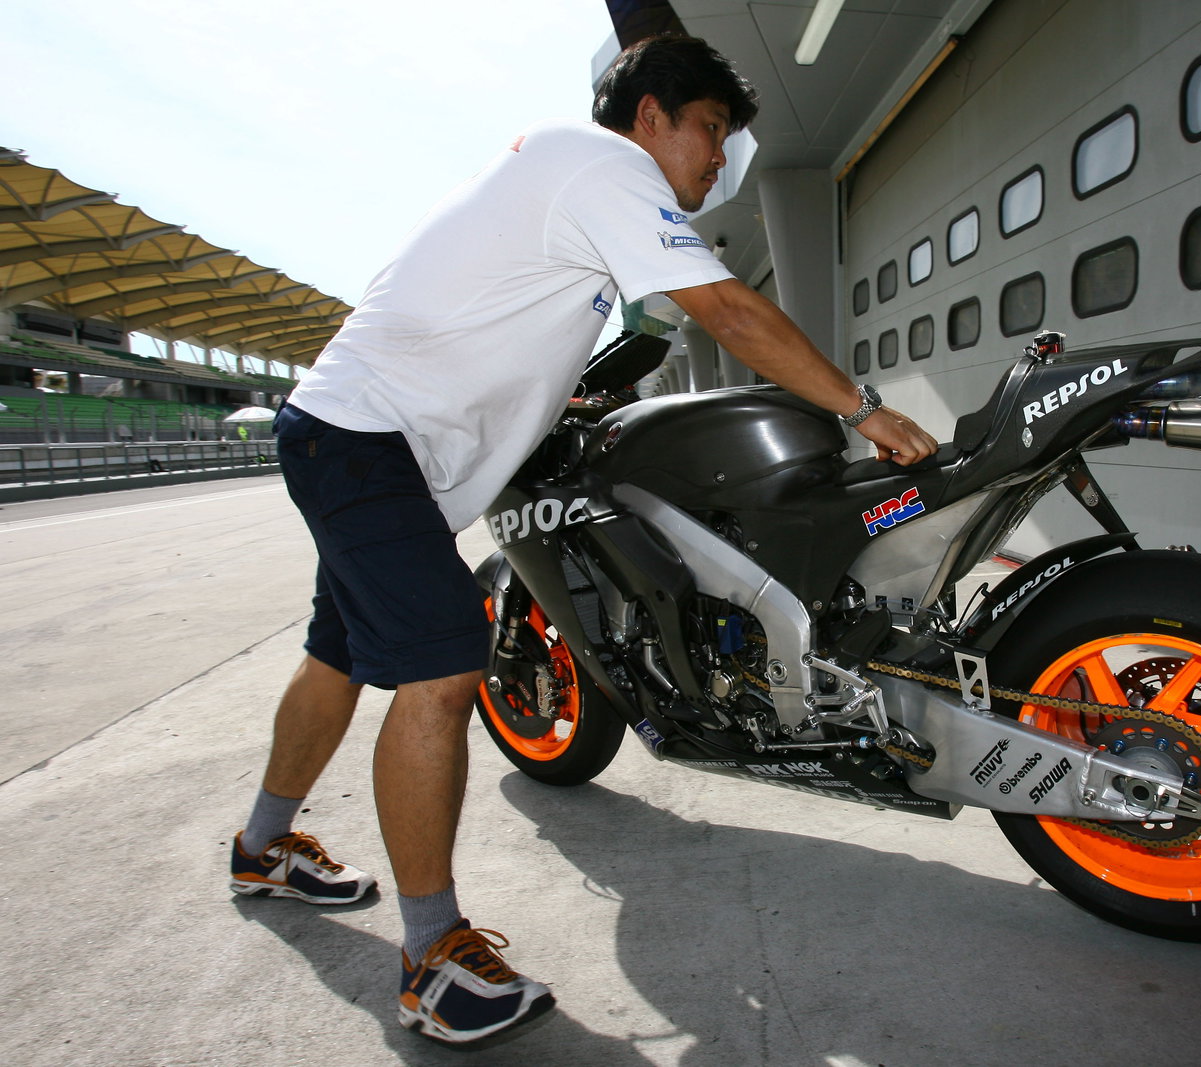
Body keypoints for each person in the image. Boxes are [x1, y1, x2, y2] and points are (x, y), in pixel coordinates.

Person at [228, 33, 938, 1048]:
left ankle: (261, 846)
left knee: (336, 652)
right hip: (367, 442)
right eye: (707, 132)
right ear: (650, 114)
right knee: (439, 664)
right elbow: (726, 310)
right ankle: (431, 956)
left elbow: (503, 320)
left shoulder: (565, 181)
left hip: (367, 440)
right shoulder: (601, 164)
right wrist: (862, 409)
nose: (713, 159)